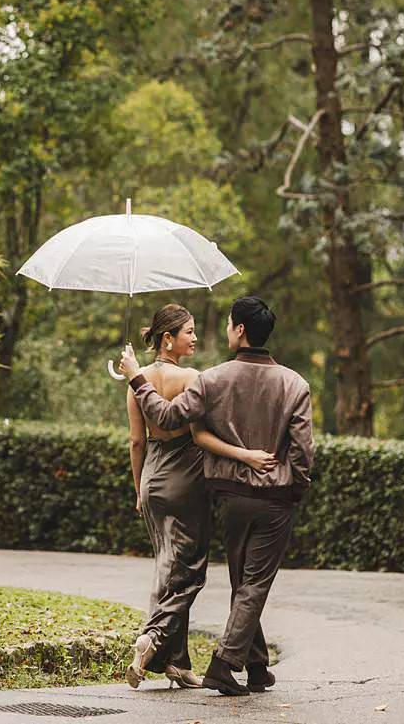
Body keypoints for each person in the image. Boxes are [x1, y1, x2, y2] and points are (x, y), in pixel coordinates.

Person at [119, 295, 314, 697]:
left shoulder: (213, 378)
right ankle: (224, 664)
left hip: (228, 498)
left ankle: (257, 666)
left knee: (243, 581)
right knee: (254, 583)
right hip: (273, 498)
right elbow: (303, 452)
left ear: (240, 331)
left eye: (227, 322)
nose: (222, 329)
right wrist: (293, 490)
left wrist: (138, 378)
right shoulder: (295, 383)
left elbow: (166, 419)